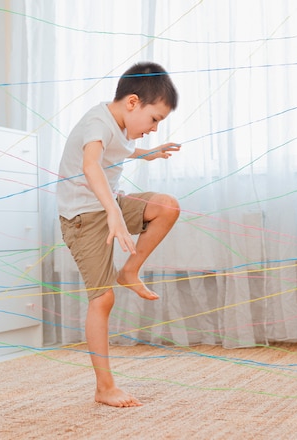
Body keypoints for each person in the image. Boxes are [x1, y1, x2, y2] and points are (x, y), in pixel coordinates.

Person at [57, 62, 180, 407]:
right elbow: (91, 164)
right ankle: (104, 388)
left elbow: (120, 150)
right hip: (82, 217)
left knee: (167, 206)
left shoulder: (122, 128)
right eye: (154, 119)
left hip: (108, 203)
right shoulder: (97, 122)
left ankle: (129, 270)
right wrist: (112, 212)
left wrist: (149, 153)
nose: (154, 128)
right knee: (102, 299)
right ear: (132, 102)